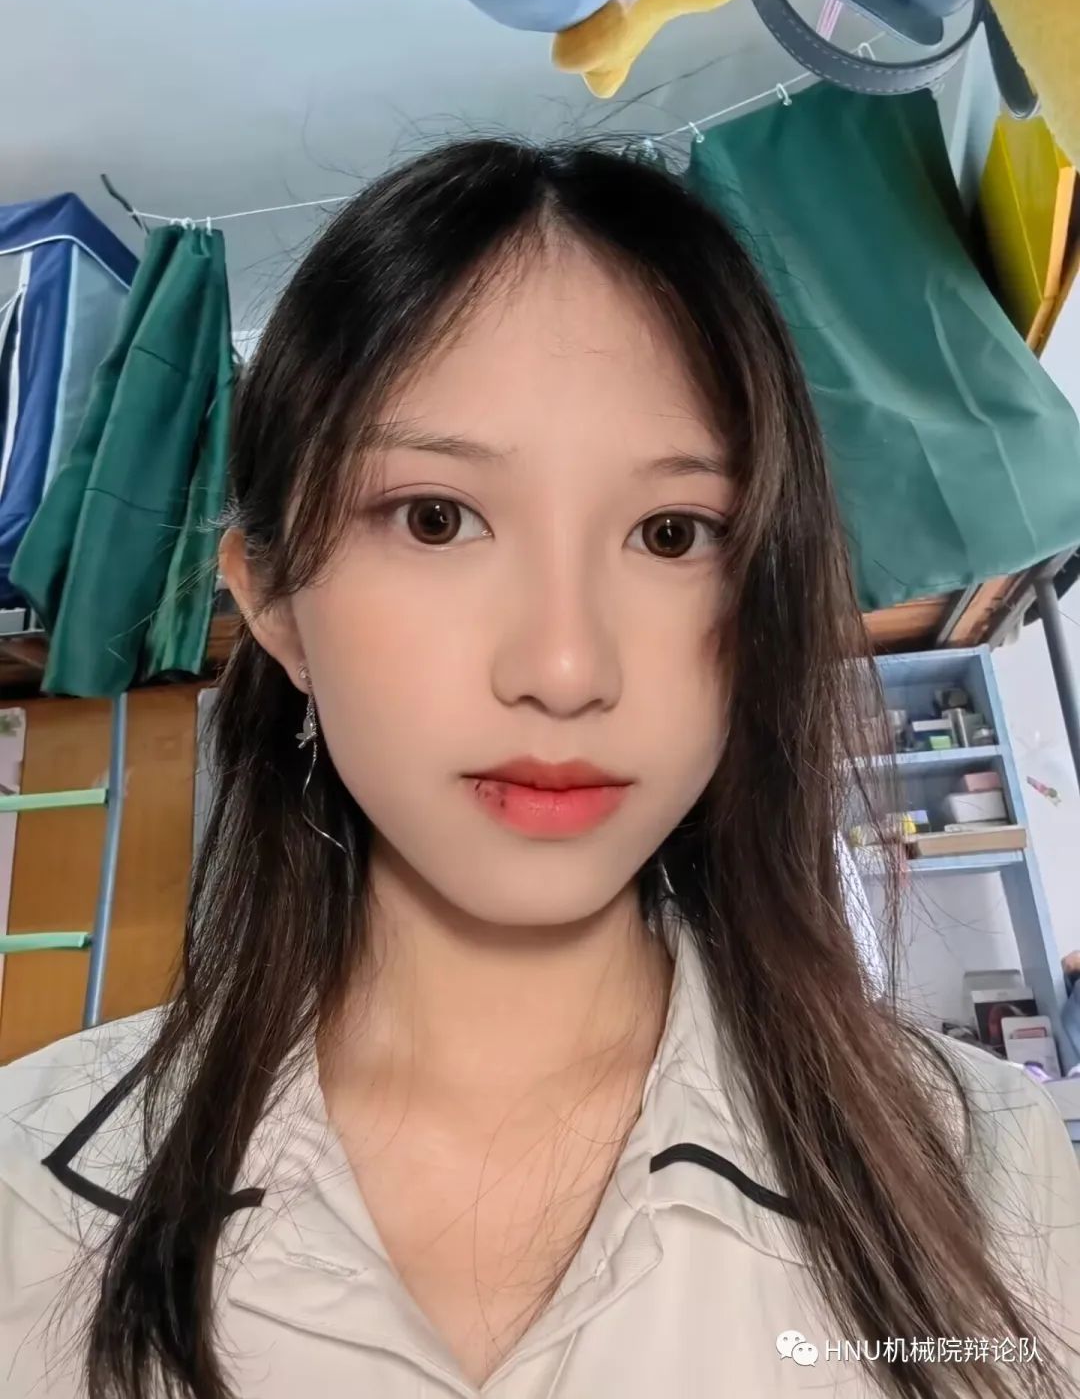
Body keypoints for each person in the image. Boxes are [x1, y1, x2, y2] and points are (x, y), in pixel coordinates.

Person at [1, 140, 1078, 1399]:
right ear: (275, 605)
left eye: (672, 533)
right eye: (436, 518)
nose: (566, 669)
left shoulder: (997, 1179)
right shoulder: (24, 1193)